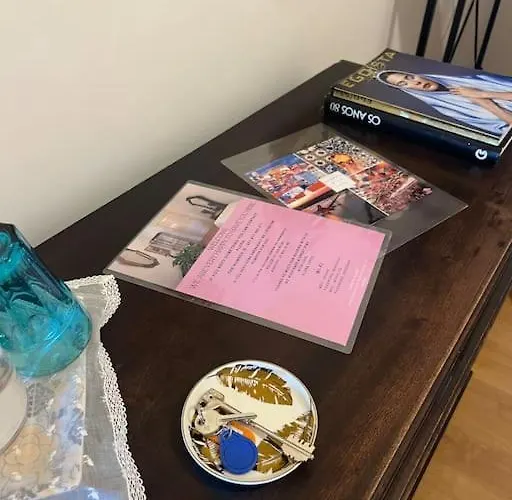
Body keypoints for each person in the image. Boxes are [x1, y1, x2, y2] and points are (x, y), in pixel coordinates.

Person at [377, 70, 512, 137]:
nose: (416, 82)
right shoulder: (448, 110)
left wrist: (483, 94)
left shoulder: (474, 79)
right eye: (404, 84)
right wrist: (485, 103)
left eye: (409, 77)